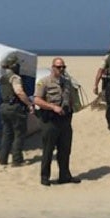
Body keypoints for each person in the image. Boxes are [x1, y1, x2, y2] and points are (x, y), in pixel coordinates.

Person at [33, 58, 81, 187]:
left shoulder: (67, 82)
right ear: (52, 67)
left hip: (65, 121)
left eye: (63, 67)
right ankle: (45, 177)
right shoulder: (44, 82)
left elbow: (71, 97)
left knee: (65, 150)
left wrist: (72, 107)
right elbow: (37, 100)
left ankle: (65, 175)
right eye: (58, 67)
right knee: (48, 151)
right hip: (50, 121)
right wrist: (52, 107)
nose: (61, 69)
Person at [0, 53, 35, 166]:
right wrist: (29, 104)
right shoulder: (15, 78)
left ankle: (3, 159)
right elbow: (19, 92)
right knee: (19, 133)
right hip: (14, 108)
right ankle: (17, 160)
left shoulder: (2, 78)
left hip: (4, 107)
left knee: (7, 133)